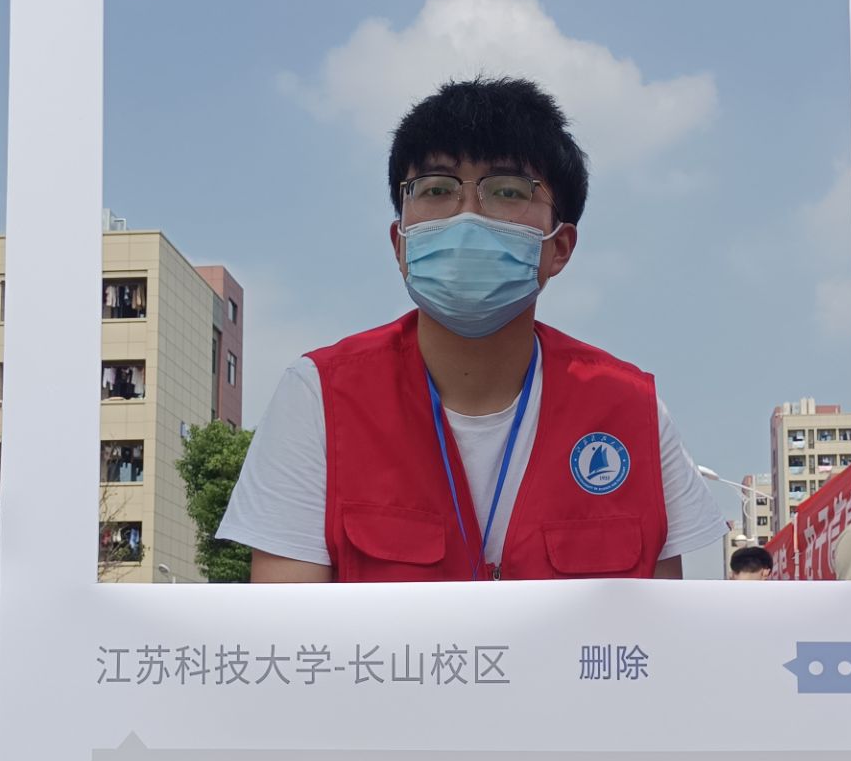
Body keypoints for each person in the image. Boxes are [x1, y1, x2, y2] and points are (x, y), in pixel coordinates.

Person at [220, 77, 724, 582]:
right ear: (400, 243)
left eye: (507, 191)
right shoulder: (318, 399)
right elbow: (288, 624)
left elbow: (661, 626)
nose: (467, 217)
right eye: (436, 189)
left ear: (560, 247)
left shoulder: (633, 411)